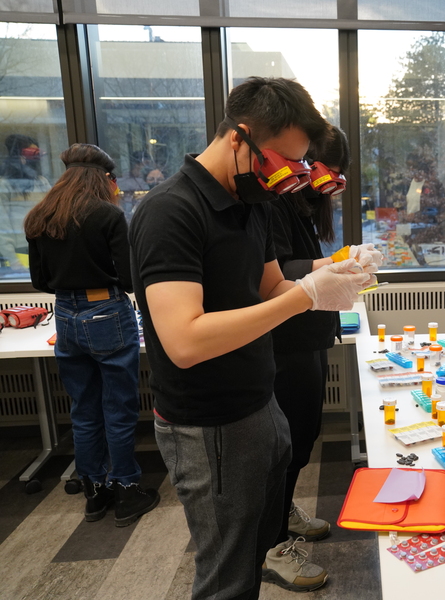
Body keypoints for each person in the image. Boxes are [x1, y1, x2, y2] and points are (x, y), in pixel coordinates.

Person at [129, 76, 379, 600]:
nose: (289, 180)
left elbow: (271, 286)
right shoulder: (170, 210)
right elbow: (186, 341)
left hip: (260, 401)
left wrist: (334, 279)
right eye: (280, 163)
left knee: (257, 541)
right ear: (239, 138)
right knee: (227, 575)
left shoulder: (254, 203)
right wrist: (306, 295)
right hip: (206, 423)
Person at [24, 143, 159, 526]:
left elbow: (39, 281)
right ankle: (128, 491)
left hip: (64, 314)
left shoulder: (39, 216)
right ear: (103, 178)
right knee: (117, 407)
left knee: (83, 409)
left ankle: (94, 492)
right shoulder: (108, 216)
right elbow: (131, 278)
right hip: (107, 313)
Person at [267, 125, 375, 589]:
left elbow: (299, 263)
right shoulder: (272, 201)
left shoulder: (300, 204)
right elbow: (274, 273)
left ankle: (282, 511)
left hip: (308, 335)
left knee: (303, 435)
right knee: (284, 445)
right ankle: (271, 548)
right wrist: (333, 263)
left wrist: (340, 263)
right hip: (284, 340)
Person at [0, 134, 51, 271]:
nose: (32, 161)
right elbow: (2, 225)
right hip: (20, 252)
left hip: (45, 247)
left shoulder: (41, 182)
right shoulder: (5, 185)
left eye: (35, 156)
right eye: (28, 155)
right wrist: (13, 260)